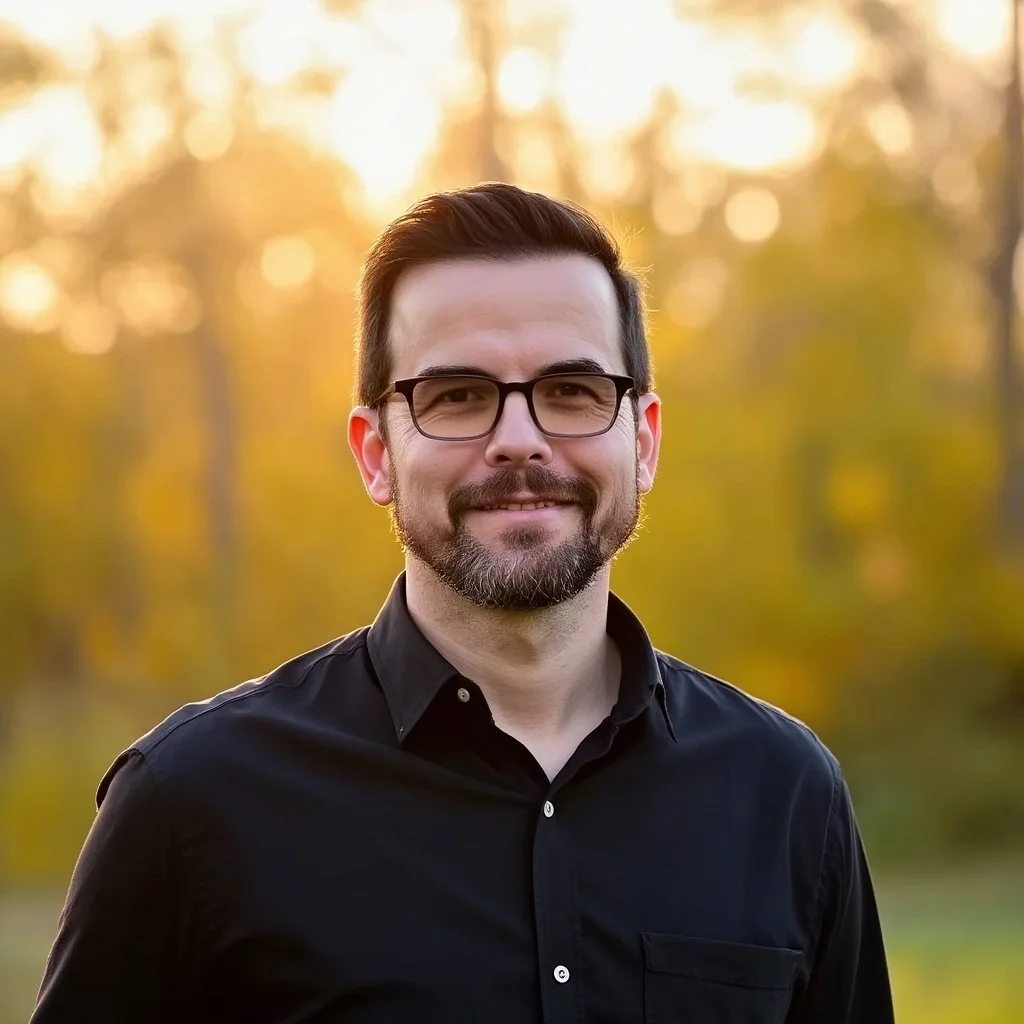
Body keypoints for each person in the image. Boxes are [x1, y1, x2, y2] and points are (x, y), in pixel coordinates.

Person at [32, 182, 894, 1023]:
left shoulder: (786, 794)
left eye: (572, 391)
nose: (519, 441)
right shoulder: (192, 802)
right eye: (458, 397)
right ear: (376, 453)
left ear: (644, 440)